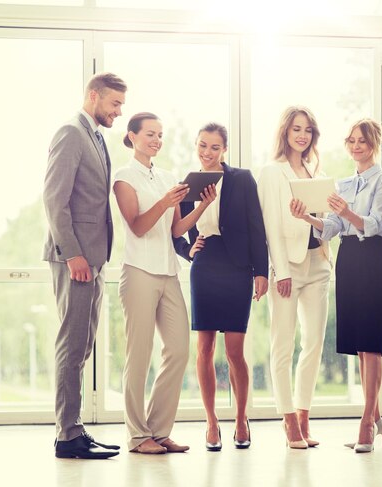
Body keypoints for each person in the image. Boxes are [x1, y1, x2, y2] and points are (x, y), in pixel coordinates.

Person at [289, 118, 382, 453]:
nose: (355, 146)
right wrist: (308, 218)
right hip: (348, 260)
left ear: (374, 142)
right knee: (360, 344)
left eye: (362, 140)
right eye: (350, 140)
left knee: (373, 342)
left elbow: (377, 224)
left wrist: (347, 212)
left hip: (375, 258)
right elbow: (332, 226)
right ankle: (375, 416)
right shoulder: (343, 183)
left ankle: (367, 422)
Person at [113, 113, 216, 454]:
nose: (156, 140)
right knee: (139, 356)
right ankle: (137, 435)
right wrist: (165, 201)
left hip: (168, 273)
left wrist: (202, 205)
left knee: (178, 349)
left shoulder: (168, 176)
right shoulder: (124, 178)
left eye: (160, 135)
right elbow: (139, 225)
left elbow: (175, 230)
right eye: (150, 134)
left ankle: (158, 430)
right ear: (132, 137)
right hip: (139, 272)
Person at [43, 72, 127, 459]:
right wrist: (73, 253)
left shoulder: (95, 137)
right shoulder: (70, 133)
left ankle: (74, 429)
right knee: (72, 346)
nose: (118, 111)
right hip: (75, 258)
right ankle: (68, 436)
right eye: (113, 103)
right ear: (93, 96)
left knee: (83, 345)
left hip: (94, 258)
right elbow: (54, 201)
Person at [173, 122, 268, 451]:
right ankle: (211, 422)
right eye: (202, 145)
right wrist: (188, 250)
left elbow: (257, 225)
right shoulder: (188, 184)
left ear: (224, 149)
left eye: (214, 147)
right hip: (206, 263)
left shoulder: (241, 179)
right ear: (195, 145)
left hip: (238, 266)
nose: (207, 152)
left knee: (235, 352)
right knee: (204, 350)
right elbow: (176, 231)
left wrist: (261, 271)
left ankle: (241, 419)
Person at [257, 106, 331, 449]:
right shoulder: (273, 172)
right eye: (296, 129)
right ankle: (287, 421)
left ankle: (303, 415)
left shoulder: (316, 170)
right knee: (282, 344)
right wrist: (280, 271)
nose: (302, 135)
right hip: (288, 264)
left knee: (313, 344)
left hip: (318, 262)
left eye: (308, 130)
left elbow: (322, 218)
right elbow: (271, 223)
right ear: (285, 132)